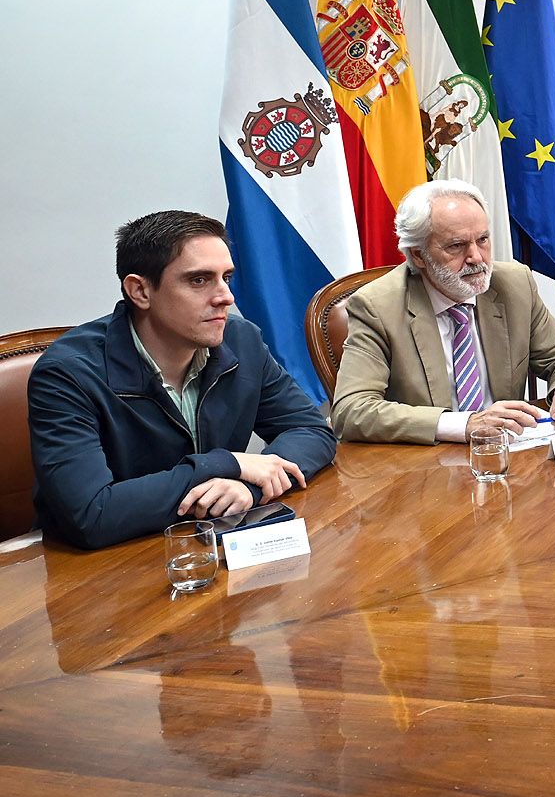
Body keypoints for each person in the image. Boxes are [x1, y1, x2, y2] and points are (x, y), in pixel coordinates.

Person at [29, 211, 335, 549]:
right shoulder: (65, 373)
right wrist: (227, 464)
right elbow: (91, 514)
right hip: (105, 569)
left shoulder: (241, 340)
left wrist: (248, 487)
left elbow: (311, 431)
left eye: (227, 278)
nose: (226, 297)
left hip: (205, 547)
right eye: (199, 280)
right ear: (140, 291)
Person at [331, 179, 555, 443]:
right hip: (424, 471)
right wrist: (463, 424)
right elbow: (352, 410)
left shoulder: (514, 285)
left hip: (511, 455)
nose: (477, 257)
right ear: (418, 256)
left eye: (482, 239)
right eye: (456, 246)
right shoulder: (377, 306)